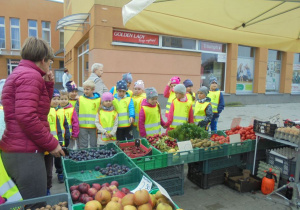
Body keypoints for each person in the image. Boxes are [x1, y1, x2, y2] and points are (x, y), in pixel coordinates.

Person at [0, 37, 64, 204]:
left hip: (15, 149)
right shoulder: (31, 76)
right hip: (26, 153)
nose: (49, 66)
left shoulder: (19, 74)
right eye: (50, 62)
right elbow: (27, 117)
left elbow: (39, 108)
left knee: (21, 204)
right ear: (43, 60)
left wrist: (48, 85)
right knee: (36, 204)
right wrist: (52, 143)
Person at [45, 89, 70, 195]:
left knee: (58, 159)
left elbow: (64, 126)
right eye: (53, 99)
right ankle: (46, 187)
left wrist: (65, 138)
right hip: (47, 141)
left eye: (57, 99)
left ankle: (60, 172)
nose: (56, 101)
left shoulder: (61, 111)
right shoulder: (45, 111)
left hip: (59, 141)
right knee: (48, 166)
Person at [75, 80, 101, 148]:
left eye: (87, 89)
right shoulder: (80, 99)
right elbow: (76, 111)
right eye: (84, 89)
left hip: (94, 126)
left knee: (94, 144)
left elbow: (100, 112)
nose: (85, 91)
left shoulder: (99, 100)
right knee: (83, 145)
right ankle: (84, 157)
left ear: (93, 90)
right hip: (82, 126)